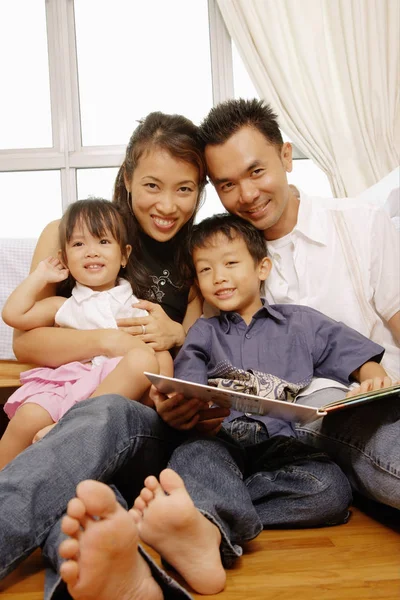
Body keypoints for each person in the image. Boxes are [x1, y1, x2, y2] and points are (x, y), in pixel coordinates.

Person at [55, 213, 394, 599]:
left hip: (281, 445)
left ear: (262, 267)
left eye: (231, 264)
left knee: (330, 491)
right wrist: (175, 410)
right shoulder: (204, 333)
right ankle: (204, 516)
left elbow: (350, 352)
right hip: (218, 437)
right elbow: (185, 389)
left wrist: (371, 375)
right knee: (195, 461)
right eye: (205, 269)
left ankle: (206, 516)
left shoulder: (301, 322)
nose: (219, 277)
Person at [0, 112, 221, 599]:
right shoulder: (71, 231)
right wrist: (110, 341)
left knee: (89, 436)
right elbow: (26, 341)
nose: (168, 205)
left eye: (185, 190)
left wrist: (174, 335)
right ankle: (119, 573)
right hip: (75, 417)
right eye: (152, 186)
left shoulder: (200, 252)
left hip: (140, 418)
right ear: (126, 177)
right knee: (85, 502)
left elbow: (193, 351)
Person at [198, 98, 400, 508]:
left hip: (383, 395)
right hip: (297, 423)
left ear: (286, 156)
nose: (247, 195)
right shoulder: (222, 266)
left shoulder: (360, 222)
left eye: (256, 171)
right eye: (227, 184)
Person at [0, 199, 172, 468]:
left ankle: (67, 430)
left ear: (124, 255)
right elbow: (13, 315)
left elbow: (158, 351)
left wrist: (162, 394)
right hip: (69, 385)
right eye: (79, 244)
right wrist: (40, 276)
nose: (91, 252)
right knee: (28, 417)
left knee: (143, 359)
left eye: (103, 242)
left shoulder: (137, 308)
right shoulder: (64, 305)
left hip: (111, 392)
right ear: (65, 257)